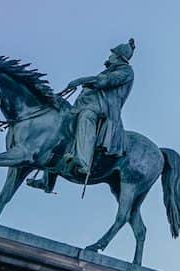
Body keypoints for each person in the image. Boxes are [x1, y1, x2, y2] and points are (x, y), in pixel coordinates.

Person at [27, 38, 135, 192]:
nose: (109, 56)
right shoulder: (110, 70)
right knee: (62, 125)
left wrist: (80, 80)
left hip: (103, 110)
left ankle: (83, 163)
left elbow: (106, 81)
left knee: (86, 117)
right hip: (87, 105)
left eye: (112, 54)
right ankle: (47, 180)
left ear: (118, 57)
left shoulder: (125, 71)